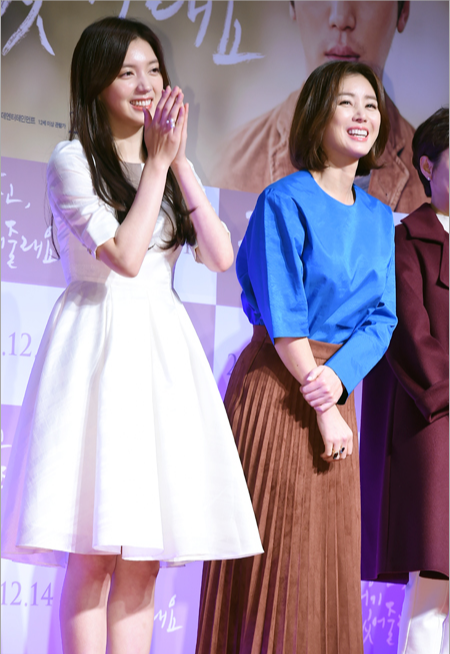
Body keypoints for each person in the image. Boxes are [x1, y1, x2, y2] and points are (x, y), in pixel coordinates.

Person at [1, 17, 262, 654]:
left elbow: (221, 257)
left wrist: (179, 163)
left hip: (158, 357)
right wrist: (157, 165)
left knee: (142, 561)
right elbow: (124, 254)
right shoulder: (72, 160)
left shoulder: (168, 163)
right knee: (92, 555)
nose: (146, 84)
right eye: (127, 72)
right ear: (96, 84)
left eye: (153, 70)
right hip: (96, 349)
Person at [196, 60, 397, 654]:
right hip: (281, 394)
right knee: (279, 564)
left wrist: (339, 381)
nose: (362, 115)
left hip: (335, 390)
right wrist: (324, 400)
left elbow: (382, 318)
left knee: (327, 563)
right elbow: (284, 317)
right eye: (346, 102)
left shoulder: (379, 216)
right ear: (316, 115)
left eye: (371, 104)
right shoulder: (282, 200)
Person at [360, 108, 449, 654]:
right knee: (434, 589)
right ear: (427, 167)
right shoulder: (404, 241)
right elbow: (409, 336)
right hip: (435, 428)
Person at [211, 1, 428, 214]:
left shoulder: (432, 182)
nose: (341, 18)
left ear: (403, 10)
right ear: (293, 5)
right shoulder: (229, 167)